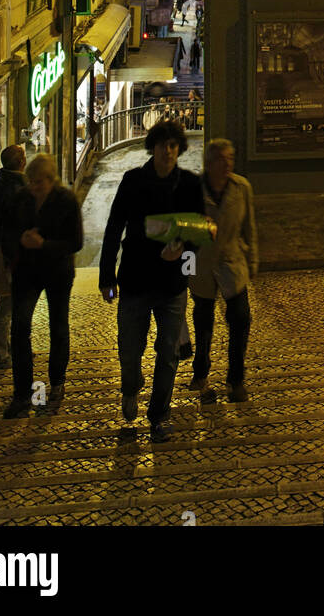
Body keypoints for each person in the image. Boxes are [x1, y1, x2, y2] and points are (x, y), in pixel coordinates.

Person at [99, 120, 213, 444]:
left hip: (172, 284)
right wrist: (106, 277)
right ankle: (131, 386)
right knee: (129, 350)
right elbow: (113, 227)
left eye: (173, 145)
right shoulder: (132, 181)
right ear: (153, 148)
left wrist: (183, 250)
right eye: (162, 144)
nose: (168, 150)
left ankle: (159, 416)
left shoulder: (189, 185)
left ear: (179, 148)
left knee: (168, 353)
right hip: (135, 281)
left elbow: (200, 231)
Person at [1, 154, 83, 419]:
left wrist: (44, 245)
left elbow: (76, 241)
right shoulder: (20, 199)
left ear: (51, 180)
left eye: (39, 182)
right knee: (20, 327)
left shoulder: (67, 200)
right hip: (26, 271)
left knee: (58, 325)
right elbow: (5, 233)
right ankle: (22, 394)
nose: (34, 187)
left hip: (57, 271)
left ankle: (57, 381)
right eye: (31, 182)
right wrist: (20, 242)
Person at [184, 139, 258, 404]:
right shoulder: (194, 189)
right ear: (209, 163)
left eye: (231, 157)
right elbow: (184, 233)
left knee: (240, 320)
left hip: (232, 263)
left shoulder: (242, 188)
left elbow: (249, 226)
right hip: (202, 266)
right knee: (203, 324)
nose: (227, 163)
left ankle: (236, 380)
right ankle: (201, 372)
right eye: (221, 159)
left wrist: (253, 262)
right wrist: (186, 269)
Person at [0, 145, 27, 369]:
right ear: (21, 162)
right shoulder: (21, 188)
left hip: (1, 253)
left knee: (8, 304)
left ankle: (7, 350)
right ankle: (2, 354)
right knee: (9, 306)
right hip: (17, 258)